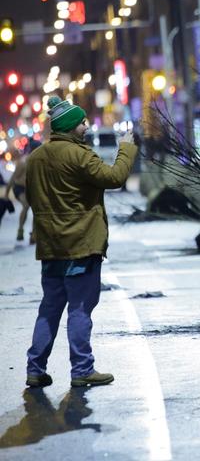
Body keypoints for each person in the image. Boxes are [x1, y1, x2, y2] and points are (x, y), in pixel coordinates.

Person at [25, 96, 137, 388]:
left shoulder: (35, 158)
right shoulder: (79, 155)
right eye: (83, 122)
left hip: (50, 247)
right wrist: (126, 148)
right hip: (81, 245)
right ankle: (82, 370)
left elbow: (32, 198)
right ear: (71, 126)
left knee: (49, 308)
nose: (87, 126)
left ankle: (35, 368)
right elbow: (114, 177)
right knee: (79, 308)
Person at [4, 144, 35, 242]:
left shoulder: (38, 162)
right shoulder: (23, 163)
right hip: (19, 188)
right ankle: (20, 229)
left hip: (31, 189)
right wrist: (6, 193)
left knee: (37, 210)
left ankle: (34, 233)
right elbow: (13, 178)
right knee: (26, 205)